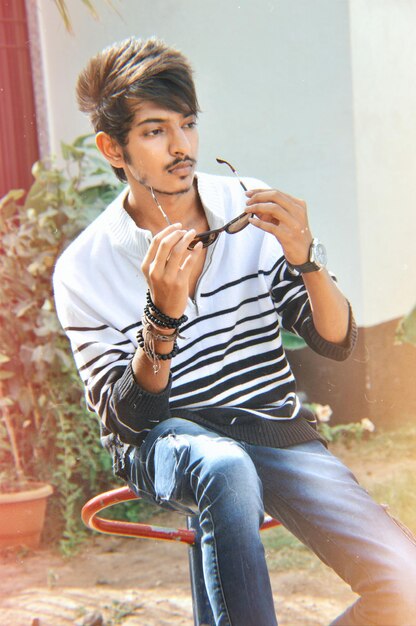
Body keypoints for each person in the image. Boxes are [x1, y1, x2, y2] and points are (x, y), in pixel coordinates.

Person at [53, 37, 416, 626]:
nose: (181, 147)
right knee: (224, 467)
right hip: (165, 440)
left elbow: (336, 340)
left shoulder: (244, 209)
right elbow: (126, 418)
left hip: (269, 424)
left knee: (407, 583)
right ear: (111, 148)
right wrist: (161, 319)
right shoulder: (84, 268)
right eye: (154, 131)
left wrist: (307, 258)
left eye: (188, 124)